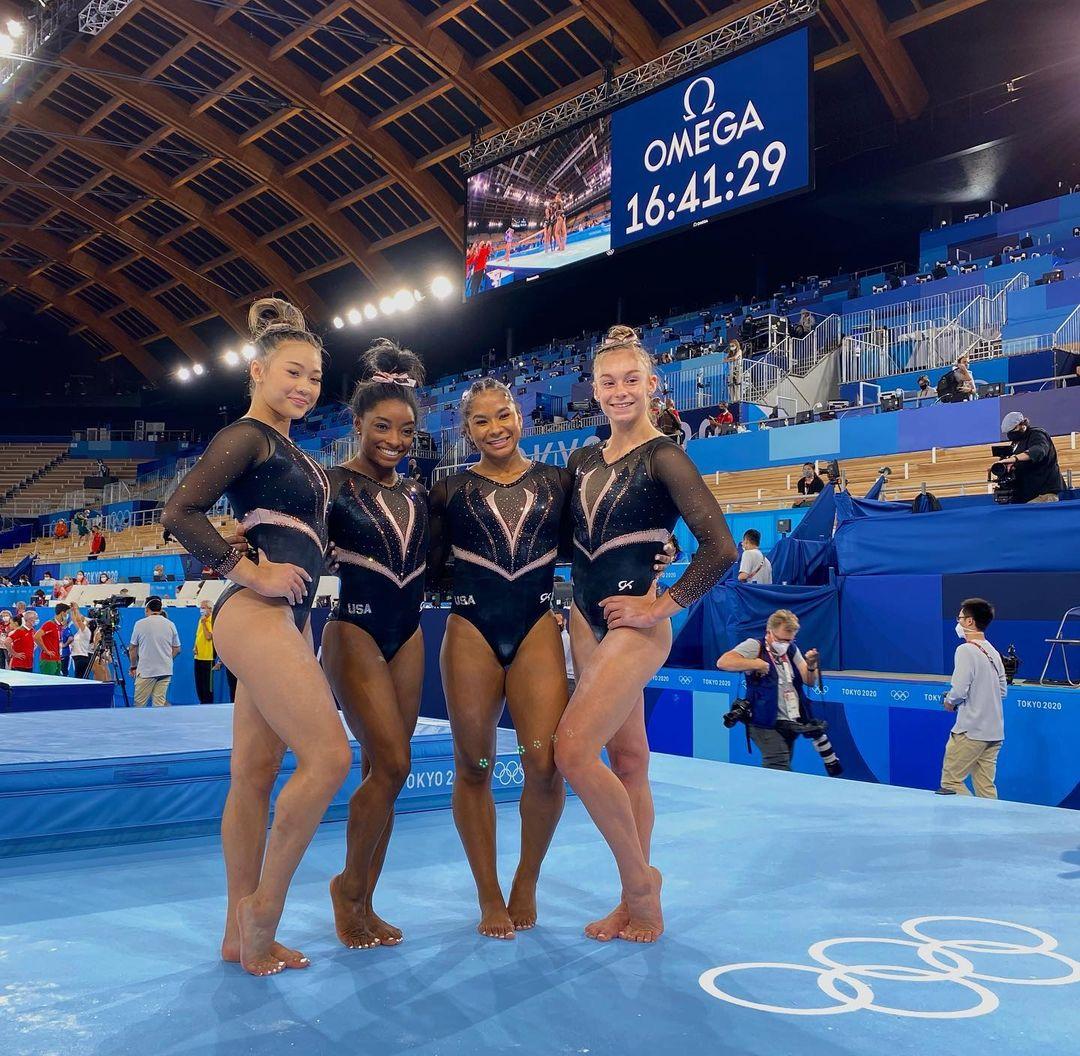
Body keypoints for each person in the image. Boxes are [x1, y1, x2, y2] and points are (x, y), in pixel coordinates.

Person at [161, 297, 351, 977]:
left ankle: (236, 934)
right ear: (258, 369)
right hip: (256, 612)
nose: (303, 388)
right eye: (292, 373)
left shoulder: (287, 444)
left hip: (288, 617)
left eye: (314, 379)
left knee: (254, 775)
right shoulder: (248, 435)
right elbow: (179, 512)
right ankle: (261, 917)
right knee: (328, 758)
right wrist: (247, 568)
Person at [557, 325, 738, 944]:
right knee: (628, 761)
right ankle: (628, 900)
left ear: (652, 385)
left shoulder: (666, 456)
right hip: (585, 620)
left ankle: (643, 887)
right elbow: (564, 541)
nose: (620, 391)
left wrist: (663, 605)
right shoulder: (582, 458)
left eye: (631, 379)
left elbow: (720, 548)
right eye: (608, 381)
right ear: (595, 390)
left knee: (572, 751)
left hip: (633, 624)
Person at [321, 340, 429, 950]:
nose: (394, 438)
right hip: (354, 628)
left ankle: (364, 900)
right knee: (393, 765)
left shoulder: (416, 493)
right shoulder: (329, 485)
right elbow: (290, 538)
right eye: (382, 426)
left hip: (407, 631)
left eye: (407, 429)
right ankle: (347, 890)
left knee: (380, 771)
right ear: (357, 424)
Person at [716, 609, 820, 771]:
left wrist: (812, 665)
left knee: (780, 765)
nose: (785, 644)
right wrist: (756, 664)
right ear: (769, 632)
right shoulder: (754, 646)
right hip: (762, 720)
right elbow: (723, 662)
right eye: (781, 640)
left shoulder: (791, 649)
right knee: (778, 765)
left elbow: (809, 681)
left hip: (789, 719)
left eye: (789, 640)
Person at [937, 598, 1007, 798]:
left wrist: (949, 702)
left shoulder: (965, 650)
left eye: (959, 618)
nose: (957, 623)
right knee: (986, 788)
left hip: (970, 731)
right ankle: (989, 827)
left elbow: (958, 690)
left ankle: (966, 825)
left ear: (969, 622)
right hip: (994, 732)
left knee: (950, 783)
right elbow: (1002, 691)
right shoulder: (993, 651)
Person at [998, 411, 1063, 503]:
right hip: (1026, 494)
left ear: (1021, 425)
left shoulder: (1037, 434)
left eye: (1012, 431)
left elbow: (1039, 451)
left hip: (1043, 493)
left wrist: (1014, 459)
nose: (1010, 435)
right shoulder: (1016, 443)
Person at [128, 597, 180, 706]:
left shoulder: (140, 624)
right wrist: (167, 659)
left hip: (146, 671)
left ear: (147, 609)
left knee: (139, 704)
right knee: (159, 704)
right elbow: (177, 649)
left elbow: (132, 648)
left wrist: (133, 666)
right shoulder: (171, 624)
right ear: (160, 610)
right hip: (165, 670)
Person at [35, 603, 68, 676]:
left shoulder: (59, 626)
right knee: (47, 684)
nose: (67, 616)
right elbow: (36, 637)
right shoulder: (49, 624)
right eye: (66, 613)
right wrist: (46, 650)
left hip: (57, 659)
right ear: (62, 613)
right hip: (48, 660)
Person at [193, 599, 216, 704]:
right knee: (199, 685)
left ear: (210, 609)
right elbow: (198, 635)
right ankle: (201, 703)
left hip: (208, 657)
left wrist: (204, 624)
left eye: (203, 607)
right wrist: (195, 646)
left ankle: (208, 705)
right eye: (200, 607)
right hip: (198, 656)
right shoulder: (201, 619)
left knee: (207, 687)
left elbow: (208, 636)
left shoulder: (211, 620)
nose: (201, 610)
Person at [68, 604, 92, 679]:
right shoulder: (80, 631)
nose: (83, 622)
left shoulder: (86, 631)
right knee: (80, 677)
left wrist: (76, 609)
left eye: (84, 621)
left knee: (80, 678)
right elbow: (75, 620)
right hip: (78, 657)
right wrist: (72, 611)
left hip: (82, 657)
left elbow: (78, 620)